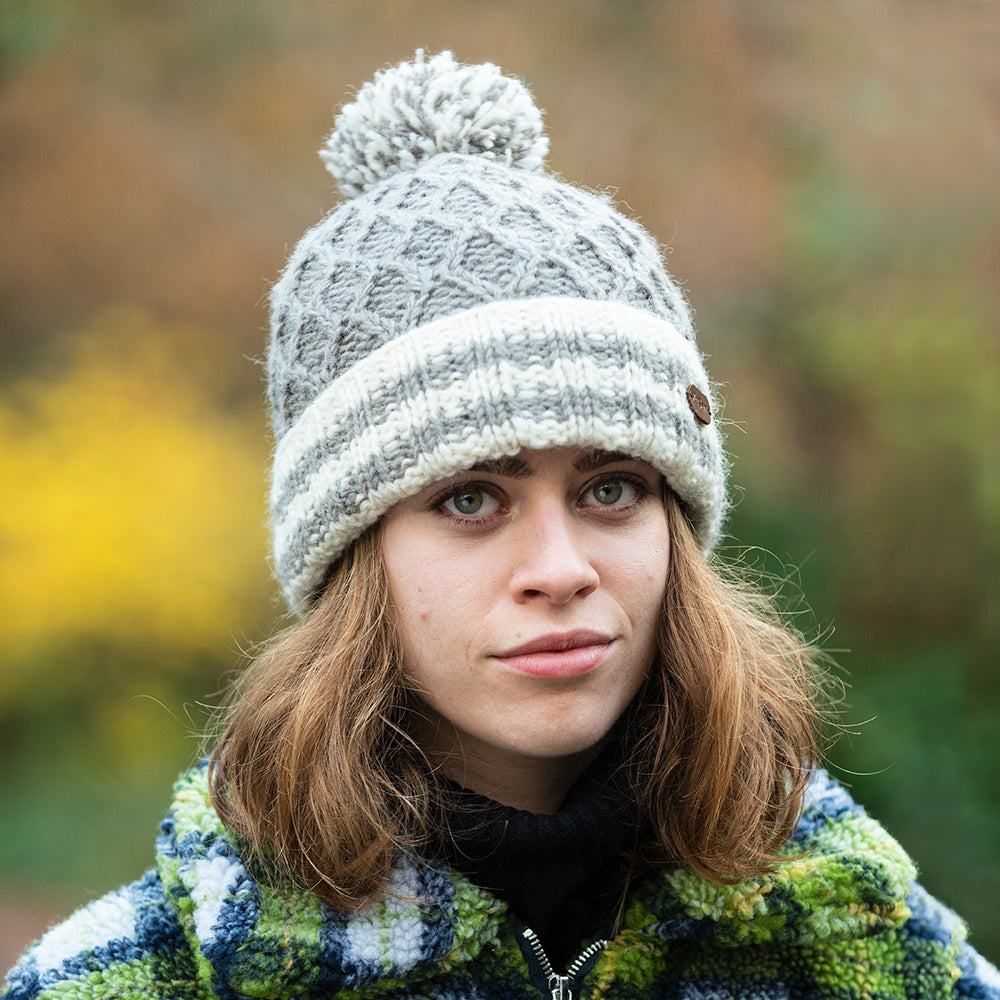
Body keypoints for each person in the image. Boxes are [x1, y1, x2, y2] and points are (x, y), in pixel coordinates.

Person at [3, 50, 997, 1000]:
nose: (558, 568)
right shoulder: (127, 978)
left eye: (610, 487)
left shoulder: (853, 942)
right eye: (469, 498)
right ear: (355, 554)